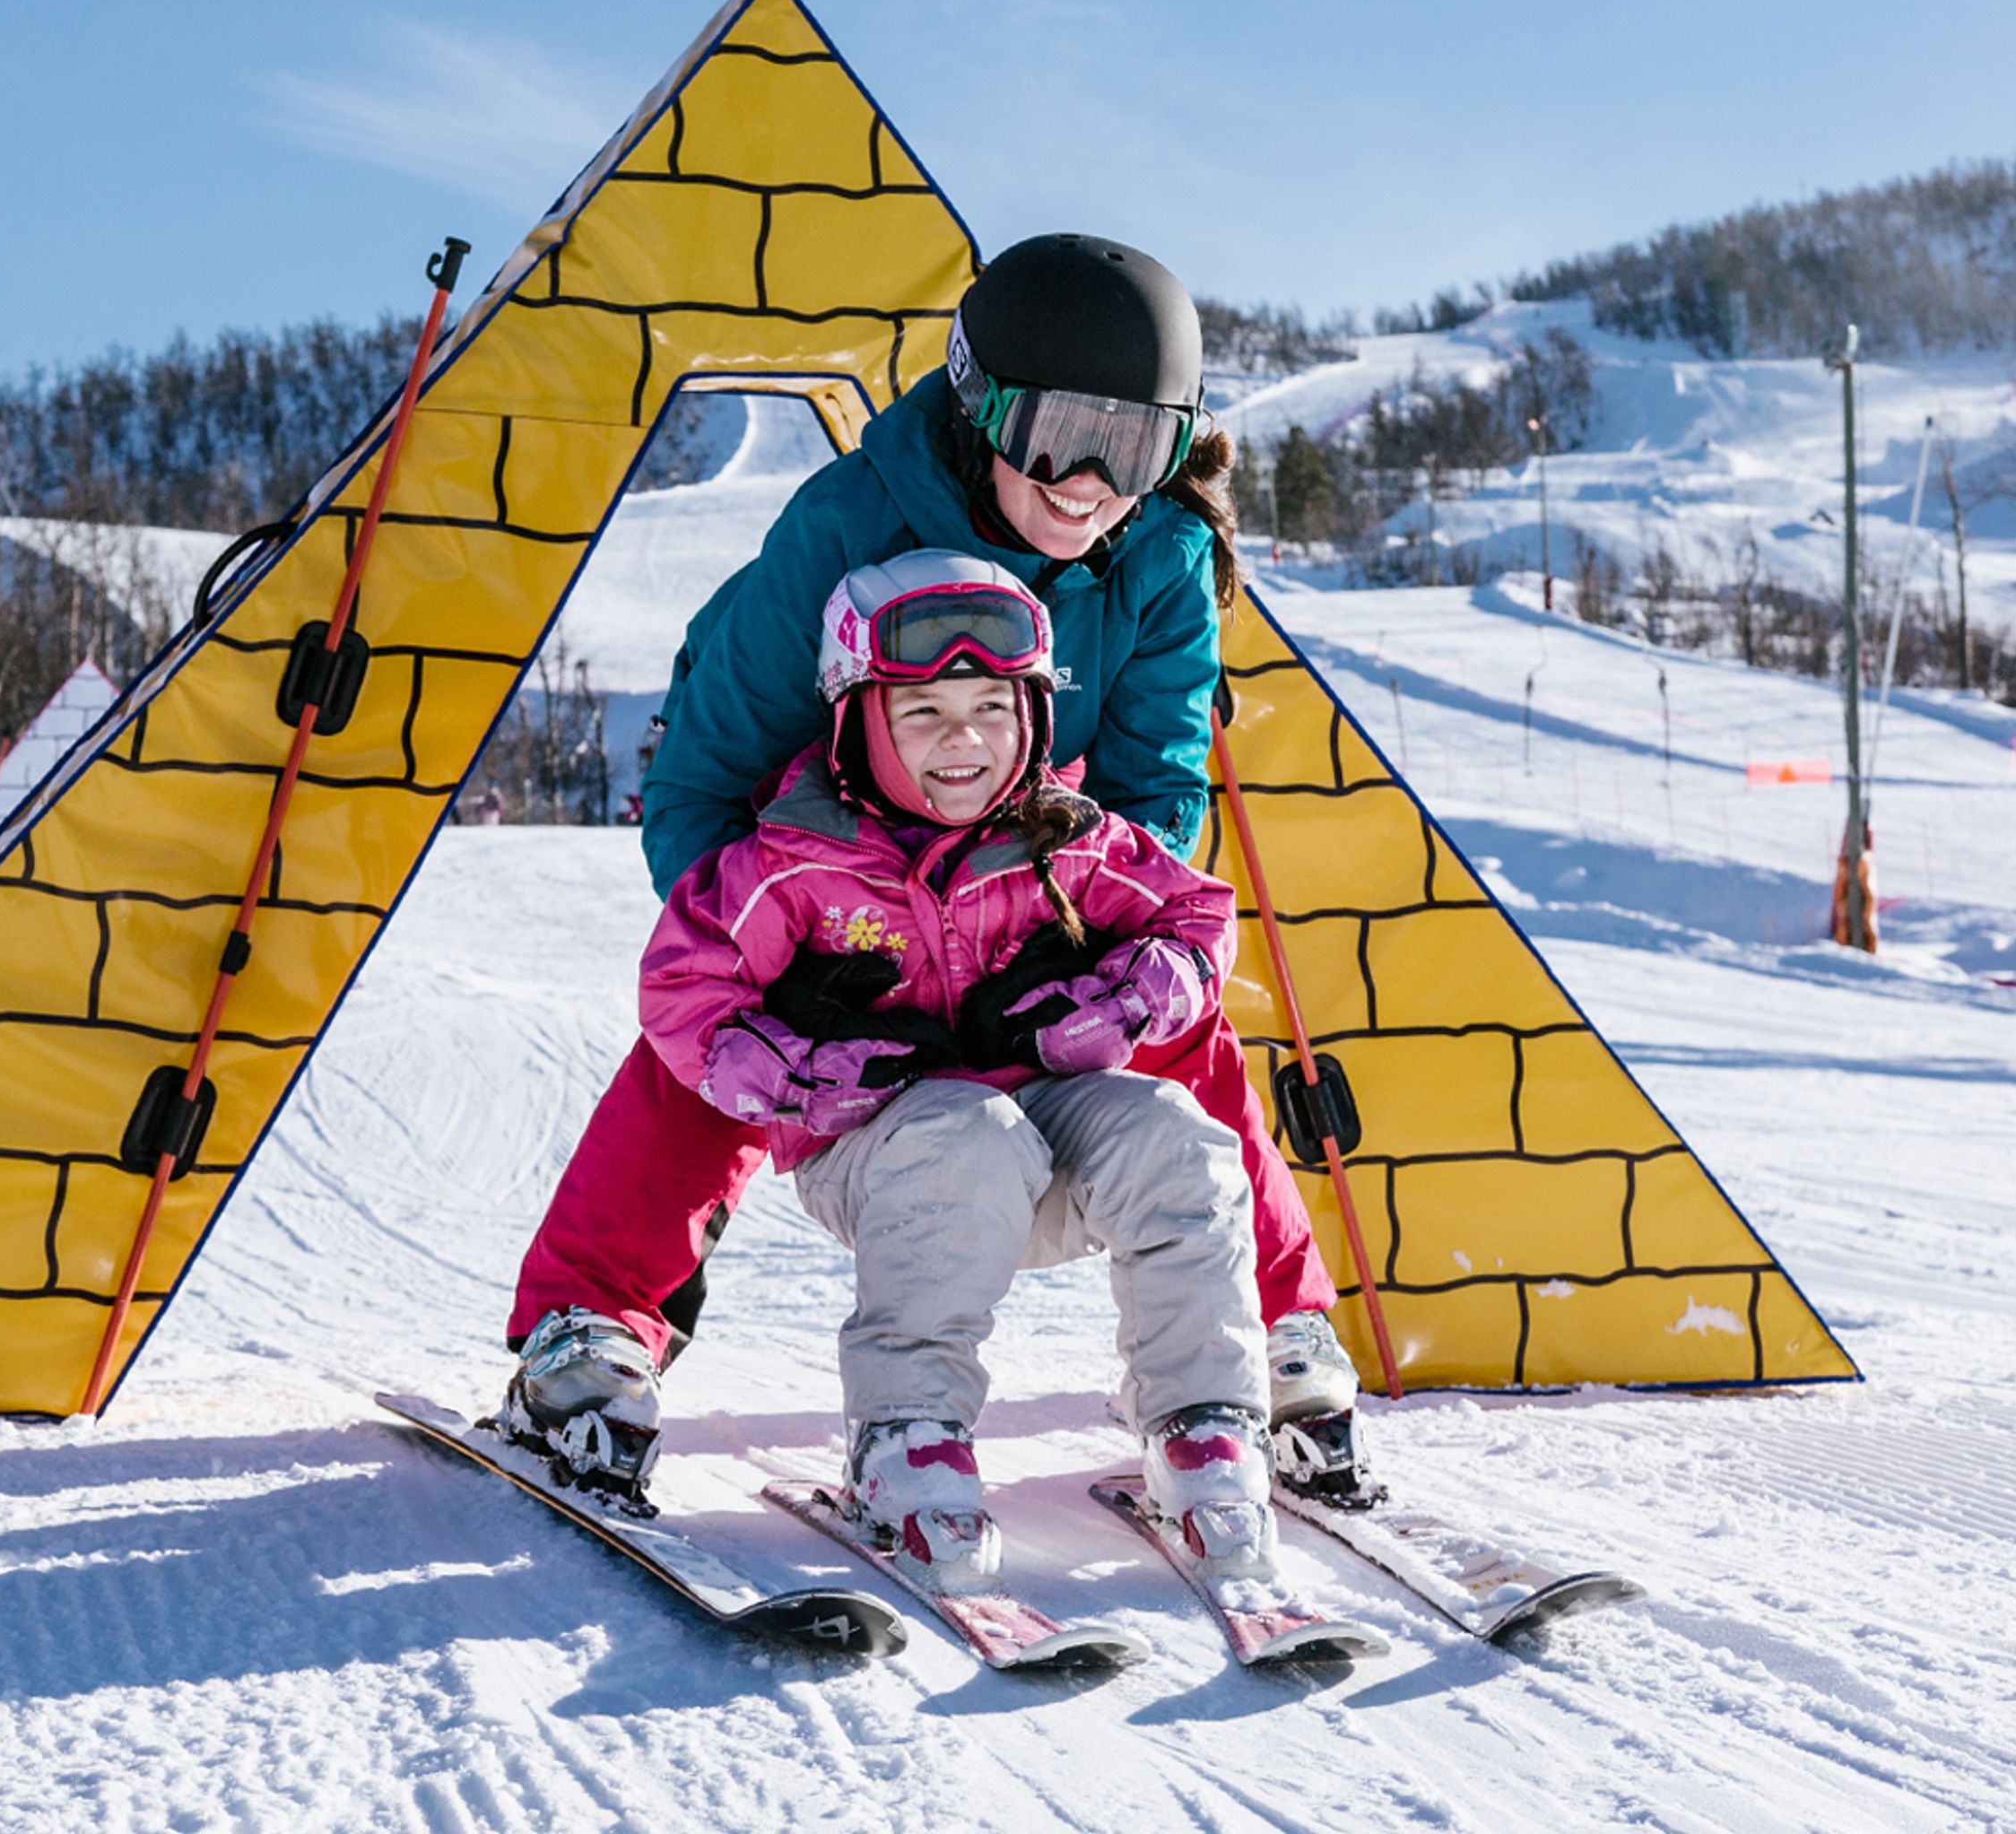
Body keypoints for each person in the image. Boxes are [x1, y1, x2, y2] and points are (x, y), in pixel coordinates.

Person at [500, 235, 1372, 1509]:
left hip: (1021, 862)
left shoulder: (1163, 555)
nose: (1087, 485)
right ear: (979, 406)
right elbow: (700, 780)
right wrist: (767, 955)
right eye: (1056, 437)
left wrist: (1105, 946)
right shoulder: (847, 522)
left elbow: (1159, 785)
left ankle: (1271, 1329)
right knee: (707, 1055)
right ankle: (590, 1327)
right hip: (824, 862)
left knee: (1188, 1040)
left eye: (1132, 448)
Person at [634, 553, 1279, 1579]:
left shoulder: (1064, 841)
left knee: (1177, 1136)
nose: (964, 739)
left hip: (1050, 1143)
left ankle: (1202, 1421)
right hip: (883, 1159)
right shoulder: (792, 864)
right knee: (961, 1133)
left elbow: (1194, 916)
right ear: (857, 720)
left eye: (991, 706)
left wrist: (1114, 1000)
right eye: (923, 712)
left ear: (1033, 715)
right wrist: (804, 1073)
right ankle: (907, 1438)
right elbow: (686, 990)